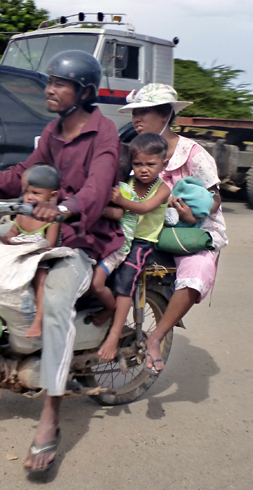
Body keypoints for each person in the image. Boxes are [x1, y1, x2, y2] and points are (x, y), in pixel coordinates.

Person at [0, 50, 123, 477]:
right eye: (49, 82)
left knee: (57, 303)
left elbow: (98, 191)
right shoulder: (53, 130)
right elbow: (27, 173)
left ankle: (51, 414)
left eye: (59, 84)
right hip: (39, 231)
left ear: (83, 92)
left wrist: (64, 209)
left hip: (84, 238)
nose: (49, 89)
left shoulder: (105, 136)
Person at [117, 83, 228, 372]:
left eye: (144, 112)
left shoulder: (193, 153)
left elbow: (214, 197)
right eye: (134, 113)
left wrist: (192, 213)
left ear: (166, 114)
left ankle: (156, 337)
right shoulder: (134, 149)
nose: (136, 119)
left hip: (188, 230)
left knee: (198, 270)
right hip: (144, 226)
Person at [97, 133, 171, 361]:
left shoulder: (163, 189)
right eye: (138, 164)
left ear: (163, 163)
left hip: (142, 242)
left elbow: (144, 208)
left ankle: (114, 334)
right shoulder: (127, 184)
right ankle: (106, 309)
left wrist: (121, 201)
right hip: (119, 236)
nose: (144, 169)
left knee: (126, 281)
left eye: (151, 164)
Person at [0, 164, 62, 339]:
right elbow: (12, 232)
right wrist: (5, 240)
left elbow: (50, 244)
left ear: (52, 196)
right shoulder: (22, 214)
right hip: (19, 255)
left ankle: (38, 321)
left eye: (36, 193)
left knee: (40, 280)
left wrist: (26, 246)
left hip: (38, 258)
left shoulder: (52, 219)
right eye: (27, 192)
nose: (29, 197)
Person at [89, 144, 137, 325]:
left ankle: (110, 308)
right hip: (105, 241)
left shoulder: (120, 190)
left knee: (96, 283)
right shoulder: (114, 186)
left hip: (117, 247)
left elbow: (117, 213)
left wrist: (92, 208)